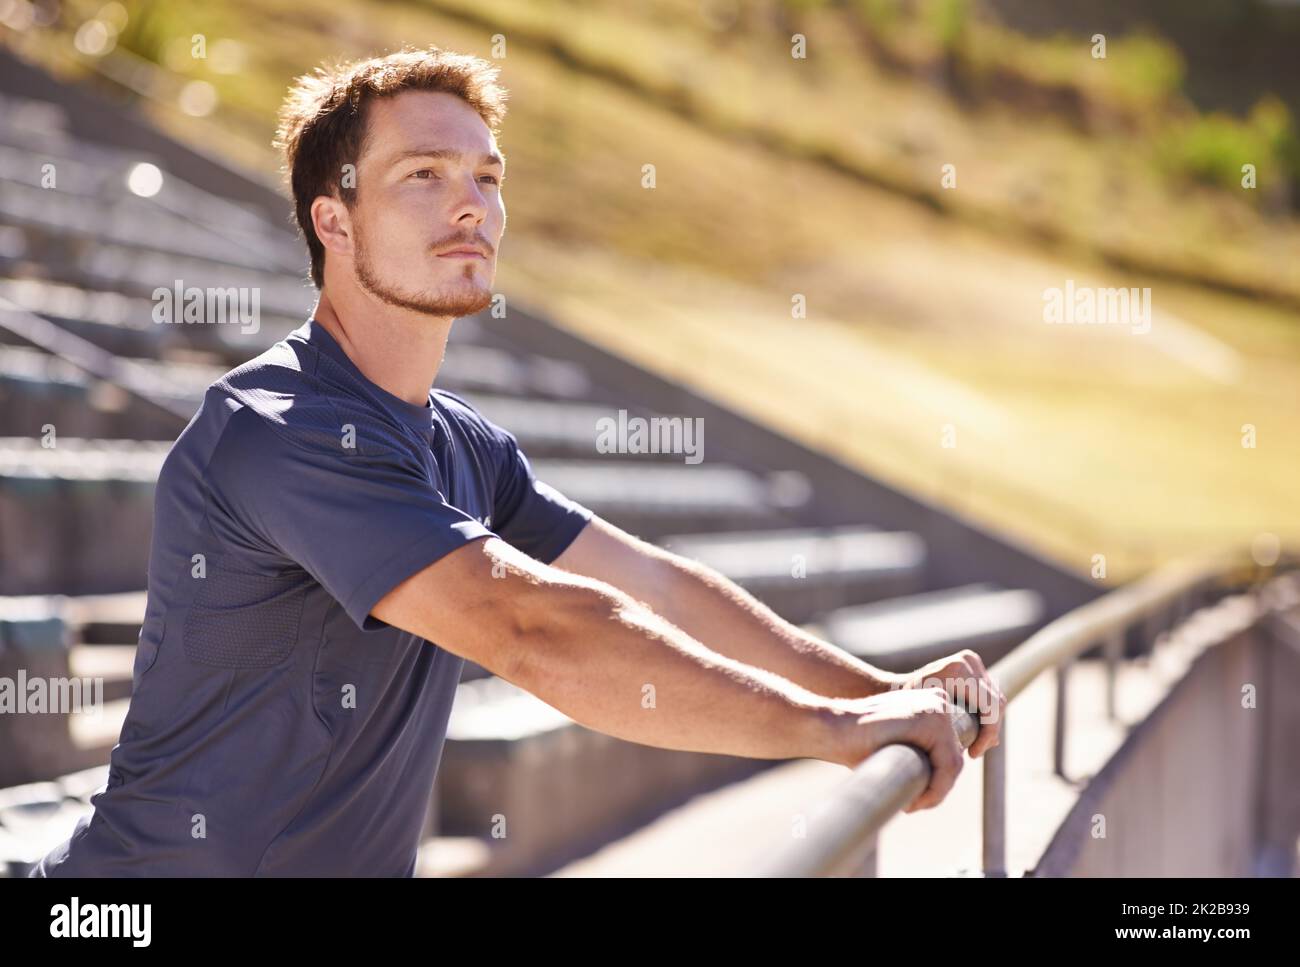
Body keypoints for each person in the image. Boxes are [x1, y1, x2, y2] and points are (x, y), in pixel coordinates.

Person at [32, 47, 1003, 877]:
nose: (470, 206)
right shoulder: (280, 425)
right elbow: (531, 625)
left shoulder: (460, 440)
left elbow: (653, 582)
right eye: (423, 175)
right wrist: (832, 735)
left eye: (487, 178)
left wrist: (872, 691)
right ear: (334, 218)